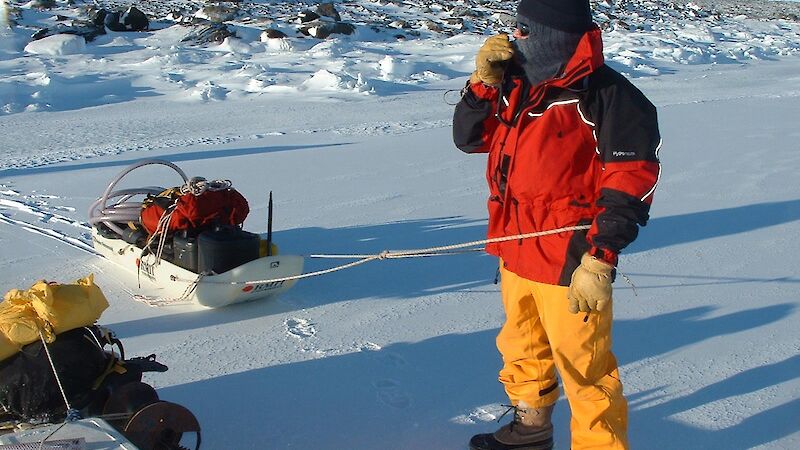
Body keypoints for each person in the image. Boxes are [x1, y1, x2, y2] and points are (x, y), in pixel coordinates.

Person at [452, 1, 661, 449]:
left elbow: (631, 180)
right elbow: (469, 139)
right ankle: (531, 430)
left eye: (523, 29)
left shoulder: (608, 96)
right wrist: (482, 86)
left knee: (586, 370)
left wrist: (601, 259)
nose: (513, 37)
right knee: (522, 349)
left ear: (554, 35)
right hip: (514, 246)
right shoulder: (515, 84)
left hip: (571, 259)